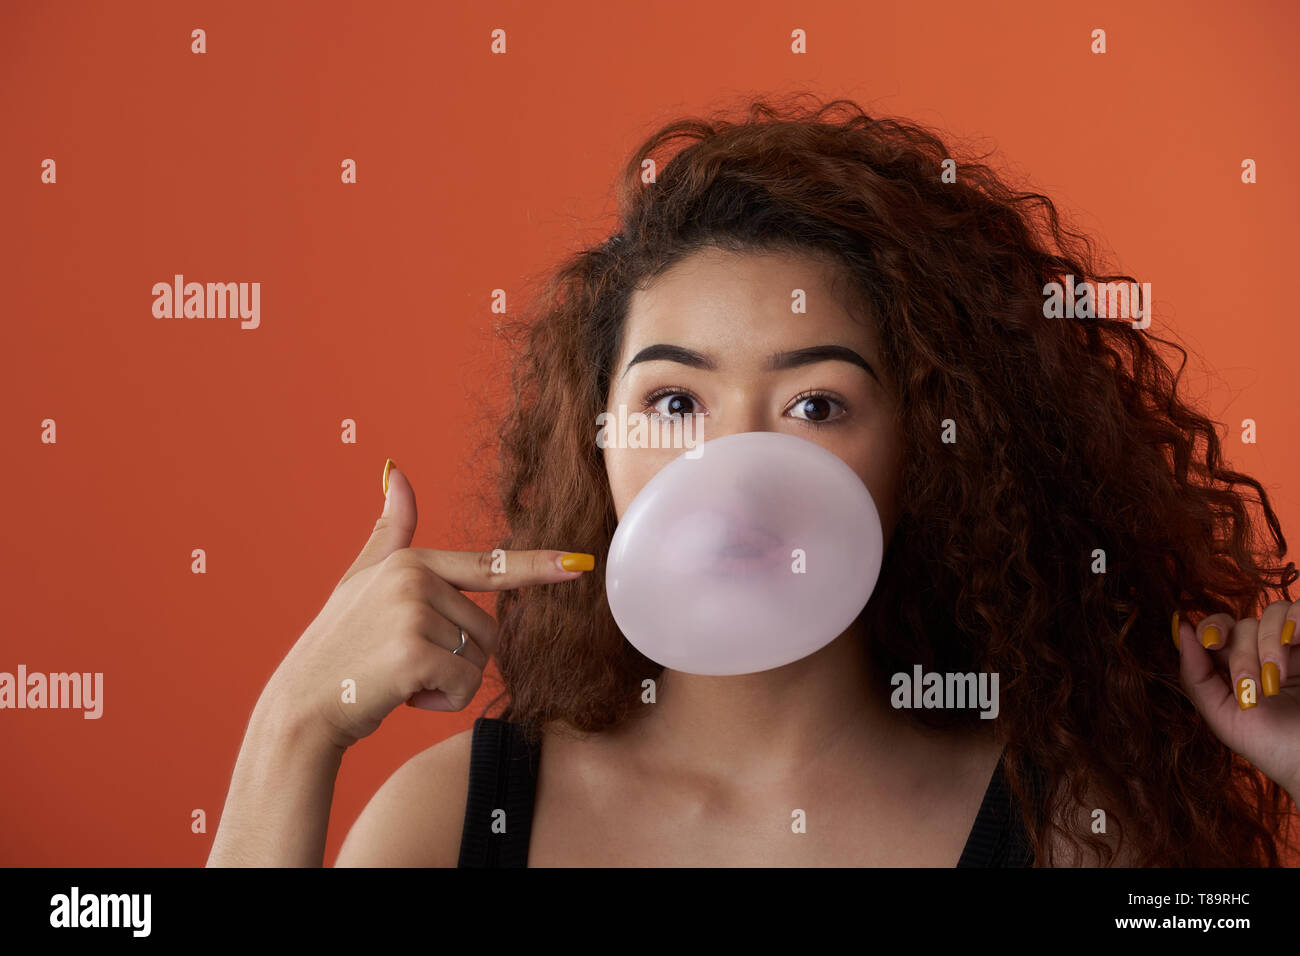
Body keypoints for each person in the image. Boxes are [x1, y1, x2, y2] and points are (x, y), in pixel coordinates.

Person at [207, 93, 1300, 867]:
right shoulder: (457, 822)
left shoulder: (1063, 830)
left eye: (814, 405)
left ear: (921, 449)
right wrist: (294, 728)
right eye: (674, 402)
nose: (730, 465)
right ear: (597, 445)